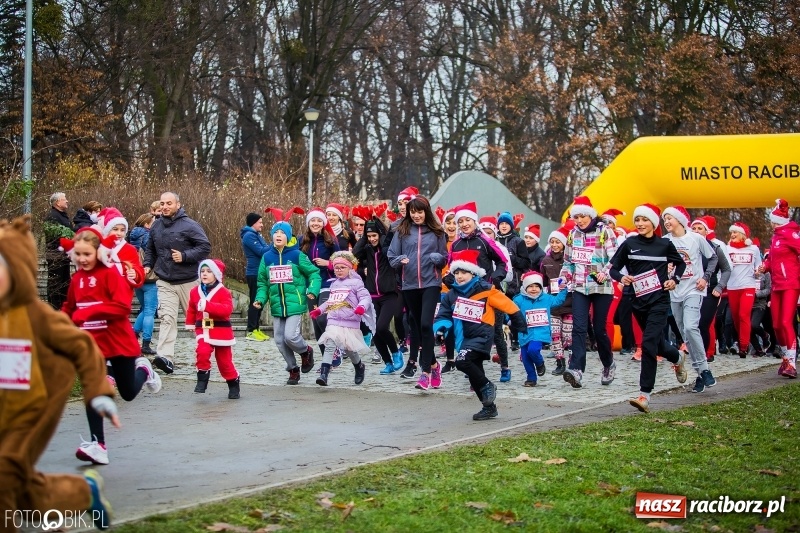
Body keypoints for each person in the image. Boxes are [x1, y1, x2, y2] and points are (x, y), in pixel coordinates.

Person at [0, 216, 116, 530]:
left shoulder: (34, 315)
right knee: (20, 489)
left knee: (5, 473)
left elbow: (82, 346)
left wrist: (98, 393)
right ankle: (82, 493)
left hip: (34, 405)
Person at [60, 227, 161, 466]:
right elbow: (70, 307)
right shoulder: (77, 279)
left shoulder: (110, 274)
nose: (82, 259)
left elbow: (122, 308)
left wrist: (90, 311)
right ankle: (98, 445)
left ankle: (144, 370)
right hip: (91, 344)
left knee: (126, 393)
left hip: (118, 340)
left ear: (98, 252)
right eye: (78, 254)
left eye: (87, 254)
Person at [608, 203, 689, 412]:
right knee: (658, 344)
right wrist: (622, 277)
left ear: (653, 223)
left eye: (644, 220)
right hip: (637, 301)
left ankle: (644, 395)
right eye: (637, 220)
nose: (640, 223)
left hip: (659, 301)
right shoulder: (629, 243)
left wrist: (675, 280)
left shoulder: (664, 244)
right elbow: (613, 269)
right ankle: (677, 357)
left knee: (648, 344)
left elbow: (680, 264)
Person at [433, 249, 527, 420]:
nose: (459, 276)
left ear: (473, 272)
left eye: (463, 272)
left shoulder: (485, 289)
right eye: (456, 272)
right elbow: (443, 315)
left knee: (462, 361)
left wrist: (519, 324)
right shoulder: (451, 295)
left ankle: (488, 385)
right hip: (464, 338)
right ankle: (489, 407)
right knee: (474, 375)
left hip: (482, 335)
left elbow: (508, 305)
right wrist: (440, 329)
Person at [143, 192, 211, 374]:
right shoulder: (156, 226)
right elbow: (150, 248)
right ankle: (165, 358)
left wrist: (185, 256)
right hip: (165, 281)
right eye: (163, 203)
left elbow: (205, 247)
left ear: (178, 205)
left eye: (169, 203)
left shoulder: (190, 225)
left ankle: (209, 351)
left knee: (201, 318)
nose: (165, 206)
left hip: (189, 281)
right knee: (167, 318)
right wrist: (147, 264)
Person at [558, 196, 619, 389]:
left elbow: (616, 257)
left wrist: (604, 273)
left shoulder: (605, 231)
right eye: (576, 217)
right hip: (579, 286)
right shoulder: (572, 235)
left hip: (601, 287)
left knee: (599, 329)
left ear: (590, 215)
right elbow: (568, 262)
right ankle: (576, 369)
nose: (580, 221)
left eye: (583, 216)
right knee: (579, 327)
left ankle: (608, 364)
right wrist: (563, 277)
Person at [388, 196, 448, 390]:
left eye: (419, 212)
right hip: (410, 284)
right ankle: (434, 364)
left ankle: (425, 373)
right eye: (412, 212)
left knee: (425, 324)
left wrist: (437, 258)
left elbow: (444, 259)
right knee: (416, 325)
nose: (416, 215)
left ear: (426, 212)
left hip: (431, 283)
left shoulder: (437, 232)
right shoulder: (402, 232)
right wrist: (400, 261)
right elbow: (391, 256)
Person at [448, 202, 512, 381]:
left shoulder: (484, 241)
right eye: (461, 221)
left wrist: (497, 278)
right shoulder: (456, 244)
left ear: (474, 221)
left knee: (496, 332)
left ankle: (505, 366)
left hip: (488, 293)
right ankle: (475, 371)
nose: (464, 224)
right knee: (471, 333)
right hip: (466, 296)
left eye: (468, 220)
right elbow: (450, 267)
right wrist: (450, 278)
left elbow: (502, 262)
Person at [253, 219, 321, 385]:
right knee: (279, 340)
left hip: (294, 304)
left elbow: (314, 274)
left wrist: (312, 290)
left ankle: (306, 351)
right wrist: (260, 299)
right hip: (277, 306)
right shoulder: (267, 257)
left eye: (282, 232)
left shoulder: (297, 255)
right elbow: (262, 283)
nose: (278, 235)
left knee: (290, 336)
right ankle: (293, 369)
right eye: (276, 232)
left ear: (288, 236)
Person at [662, 205, 718, 393]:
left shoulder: (696, 239)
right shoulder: (664, 241)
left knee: (690, 327)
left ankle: (705, 369)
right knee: (686, 335)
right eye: (664, 220)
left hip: (694, 290)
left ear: (679, 219)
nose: (667, 222)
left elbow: (713, 258)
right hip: (674, 292)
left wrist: (705, 278)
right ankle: (701, 374)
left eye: (670, 218)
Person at [310, 251, 373, 386]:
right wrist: (319, 310)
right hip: (333, 320)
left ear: (350, 267)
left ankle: (359, 366)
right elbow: (330, 301)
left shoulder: (357, 283)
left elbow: (365, 297)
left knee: (350, 349)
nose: (339, 271)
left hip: (350, 321)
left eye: (342, 268)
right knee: (330, 344)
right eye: (336, 268)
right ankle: (324, 374)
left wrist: (361, 307)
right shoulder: (333, 284)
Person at [352, 216, 405, 375]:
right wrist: (363, 237)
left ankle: (396, 353)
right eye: (369, 236)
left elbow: (386, 249)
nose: (372, 239)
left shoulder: (386, 248)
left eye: (374, 235)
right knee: (375, 331)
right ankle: (388, 363)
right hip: (372, 295)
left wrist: (382, 236)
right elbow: (355, 253)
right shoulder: (367, 249)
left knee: (382, 327)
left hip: (389, 294)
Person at [185, 259, 240, 399]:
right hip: (203, 328)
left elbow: (227, 310)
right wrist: (190, 323)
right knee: (202, 351)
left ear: (217, 274)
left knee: (224, 362)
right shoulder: (194, 291)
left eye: (209, 271)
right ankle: (202, 379)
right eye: (202, 271)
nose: (205, 274)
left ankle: (233, 382)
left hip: (221, 331)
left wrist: (208, 306)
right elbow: (191, 308)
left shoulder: (224, 292)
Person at [758, 199, 800, 378]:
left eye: (774, 219)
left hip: (791, 284)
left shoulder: (791, 234)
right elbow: (774, 259)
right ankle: (785, 358)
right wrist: (765, 266)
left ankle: (791, 362)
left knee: (785, 322)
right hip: (777, 285)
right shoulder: (776, 236)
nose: (771, 222)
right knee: (775, 325)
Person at [300, 207, 342, 361]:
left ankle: (335, 349)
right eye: (313, 220)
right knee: (316, 322)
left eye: (319, 220)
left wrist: (328, 263)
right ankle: (327, 359)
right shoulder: (302, 241)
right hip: (310, 286)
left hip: (327, 283)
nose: (316, 223)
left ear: (323, 223)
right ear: (308, 223)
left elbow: (342, 263)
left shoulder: (330, 241)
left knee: (322, 319)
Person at [512, 271, 568, 386]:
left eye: (537, 286)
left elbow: (558, 301)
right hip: (524, 333)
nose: (534, 289)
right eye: (530, 286)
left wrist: (564, 290)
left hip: (540, 332)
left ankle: (540, 363)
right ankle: (531, 378)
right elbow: (511, 310)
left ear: (541, 287)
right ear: (525, 287)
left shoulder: (546, 298)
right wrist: (508, 319)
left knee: (533, 350)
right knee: (526, 357)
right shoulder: (518, 300)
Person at [690, 215, 731, 362]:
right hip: (690, 291)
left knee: (703, 324)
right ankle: (696, 352)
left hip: (710, 290)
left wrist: (720, 287)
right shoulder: (685, 247)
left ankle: (706, 353)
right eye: (693, 228)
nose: (696, 231)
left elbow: (727, 269)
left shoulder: (715, 248)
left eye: (699, 228)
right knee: (691, 325)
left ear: (706, 232)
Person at [539, 222, 574, 375]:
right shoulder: (545, 261)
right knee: (555, 334)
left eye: (557, 242)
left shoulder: (570, 260)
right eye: (552, 242)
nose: (554, 245)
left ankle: (573, 362)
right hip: (553, 303)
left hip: (569, 303)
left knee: (567, 336)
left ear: (564, 243)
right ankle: (560, 361)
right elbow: (544, 282)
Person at [725, 222, 762, 357]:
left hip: (748, 285)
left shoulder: (754, 249)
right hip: (732, 286)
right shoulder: (727, 249)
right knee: (735, 318)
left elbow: (759, 265)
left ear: (743, 235)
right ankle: (745, 340)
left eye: (735, 232)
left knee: (743, 315)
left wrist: (758, 271)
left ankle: (743, 346)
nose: (732, 235)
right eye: (731, 232)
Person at [496, 211, 531, 352]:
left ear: (511, 226)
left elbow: (526, 263)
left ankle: (516, 339)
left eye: (506, 224)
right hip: (499, 282)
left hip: (514, 284)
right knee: (499, 313)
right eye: (501, 224)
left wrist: (511, 258)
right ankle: (500, 339)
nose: (504, 226)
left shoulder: (518, 241)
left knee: (514, 311)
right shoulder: (494, 240)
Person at [129, 213, 158, 355]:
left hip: (136, 278)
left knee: (145, 308)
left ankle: (133, 336)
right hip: (150, 278)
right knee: (149, 311)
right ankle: (146, 343)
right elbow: (153, 254)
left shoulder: (131, 236)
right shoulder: (148, 236)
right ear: (147, 225)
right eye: (153, 223)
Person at [241, 212, 271, 341]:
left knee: (260, 301)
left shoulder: (256, 235)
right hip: (254, 273)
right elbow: (261, 251)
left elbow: (264, 248)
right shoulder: (249, 236)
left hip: (261, 272)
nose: (262, 225)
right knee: (255, 301)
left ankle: (257, 329)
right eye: (260, 222)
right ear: (253, 223)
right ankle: (251, 330)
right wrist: (274, 244)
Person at [43, 192, 74, 310]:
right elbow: (55, 236)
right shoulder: (52, 216)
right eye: (64, 199)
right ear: (57, 202)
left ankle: (63, 307)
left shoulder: (62, 215)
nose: (67, 201)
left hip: (63, 256)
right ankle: (54, 308)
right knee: (56, 282)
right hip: (55, 256)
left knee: (65, 282)